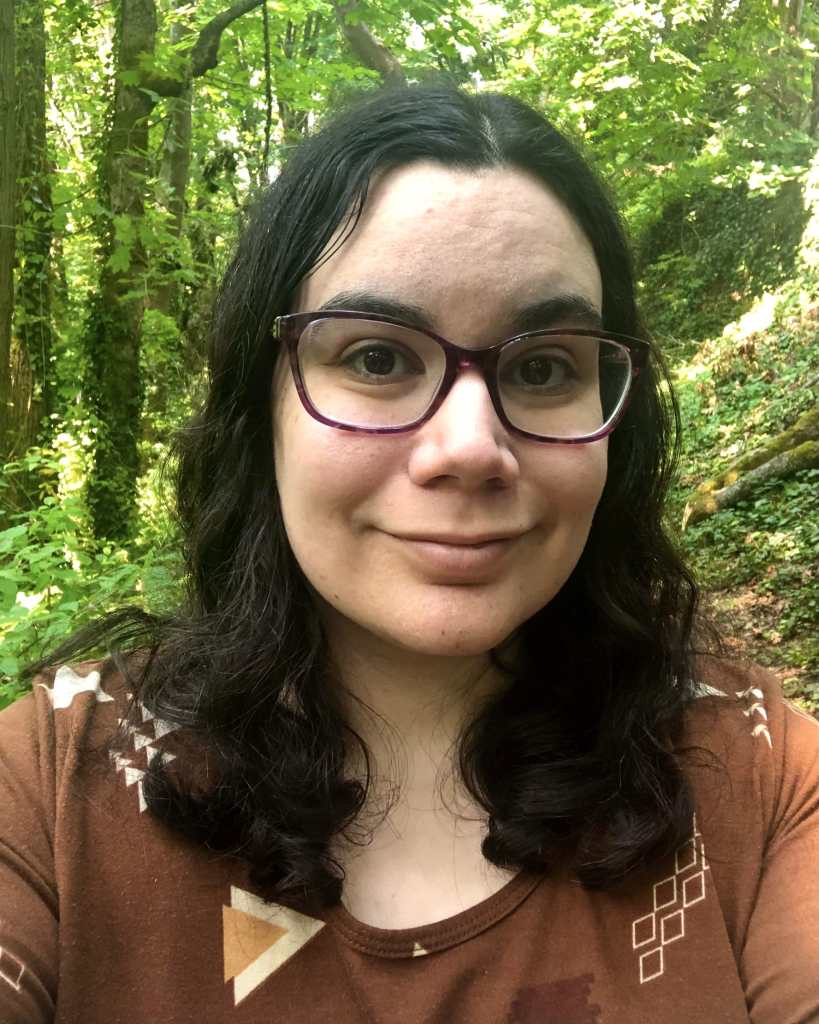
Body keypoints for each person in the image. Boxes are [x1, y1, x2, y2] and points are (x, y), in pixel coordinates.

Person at [0, 82, 816, 1024]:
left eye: (543, 367)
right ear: (258, 406)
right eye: (377, 358)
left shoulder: (757, 779)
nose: (470, 448)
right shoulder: (53, 790)